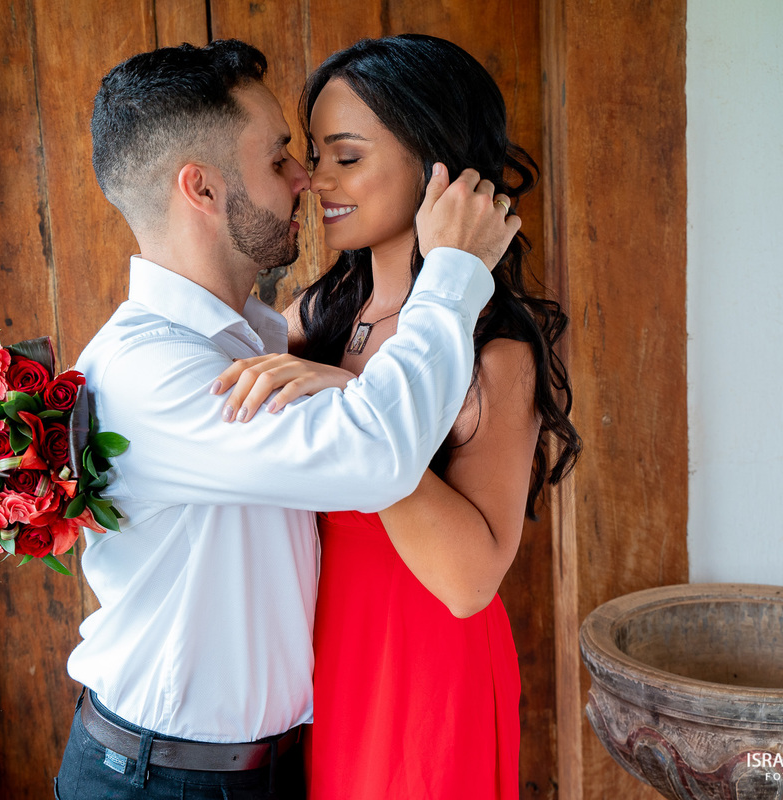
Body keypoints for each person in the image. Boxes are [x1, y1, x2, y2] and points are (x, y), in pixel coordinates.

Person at [56, 39, 521, 800]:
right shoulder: (157, 373)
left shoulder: (268, 334)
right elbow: (370, 454)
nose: (306, 179)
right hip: (163, 778)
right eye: (283, 160)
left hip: (307, 743)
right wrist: (455, 274)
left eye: (337, 155)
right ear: (201, 191)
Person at [212, 35, 582, 799]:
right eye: (314, 155)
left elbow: (467, 581)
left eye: (346, 157)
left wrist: (346, 404)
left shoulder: (494, 352)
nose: (317, 181)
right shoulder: (318, 315)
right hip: (315, 657)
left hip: (426, 674)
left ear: (437, 166)